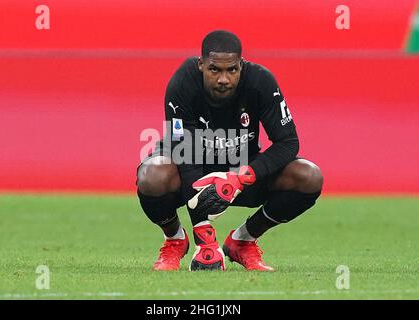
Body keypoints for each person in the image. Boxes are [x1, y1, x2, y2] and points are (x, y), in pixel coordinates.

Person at [136, 30, 323, 271]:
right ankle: (175, 240)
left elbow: (287, 142)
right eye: (215, 69)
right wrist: (205, 242)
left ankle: (243, 241)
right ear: (201, 65)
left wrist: (244, 176)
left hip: (240, 171)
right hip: (188, 165)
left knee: (308, 176)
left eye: (231, 70)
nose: (224, 79)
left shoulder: (261, 82)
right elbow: (186, 152)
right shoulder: (184, 82)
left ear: (241, 66)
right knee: (152, 176)